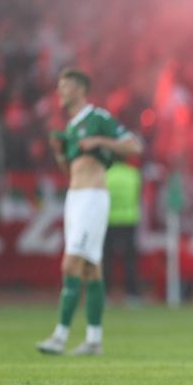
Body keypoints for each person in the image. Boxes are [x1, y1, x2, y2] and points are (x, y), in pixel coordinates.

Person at [36, 68, 143, 356]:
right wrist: (60, 151)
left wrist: (100, 142)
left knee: (70, 265)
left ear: (81, 89)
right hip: (75, 196)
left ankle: (60, 336)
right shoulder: (70, 127)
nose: (60, 91)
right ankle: (94, 340)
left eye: (65, 86)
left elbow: (134, 145)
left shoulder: (98, 118)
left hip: (93, 197)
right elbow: (70, 170)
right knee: (91, 268)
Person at [102, 159, 142, 304]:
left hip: (109, 220)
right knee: (130, 262)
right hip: (129, 220)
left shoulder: (106, 175)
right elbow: (138, 196)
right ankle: (132, 295)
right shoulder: (134, 174)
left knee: (106, 260)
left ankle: (104, 295)